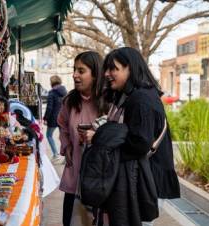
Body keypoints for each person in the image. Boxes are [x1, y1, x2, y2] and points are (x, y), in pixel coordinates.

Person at [88, 47, 180, 226]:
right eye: (107, 69)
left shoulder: (141, 99)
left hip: (145, 181)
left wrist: (100, 140)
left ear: (130, 68)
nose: (107, 73)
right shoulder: (131, 96)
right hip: (139, 178)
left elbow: (139, 143)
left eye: (113, 68)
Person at [57, 51, 107, 226]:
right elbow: (62, 126)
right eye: (74, 70)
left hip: (100, 179)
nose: (74, 75)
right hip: (74, 173)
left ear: (95, 74)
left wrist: (98, 136)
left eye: (81, 70)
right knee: (69, 221)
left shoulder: (109, 101)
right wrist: (67, 146)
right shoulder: (69, 101)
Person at [43, 75, 67, 162]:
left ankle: (56, 154)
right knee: (63, 137)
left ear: (52, 82)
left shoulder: (52, 93)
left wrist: (45, 118)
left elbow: (49, 107)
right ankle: (66, 156)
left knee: (49, 135)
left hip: (53, 118)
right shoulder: (65, 92)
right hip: (63, 118)